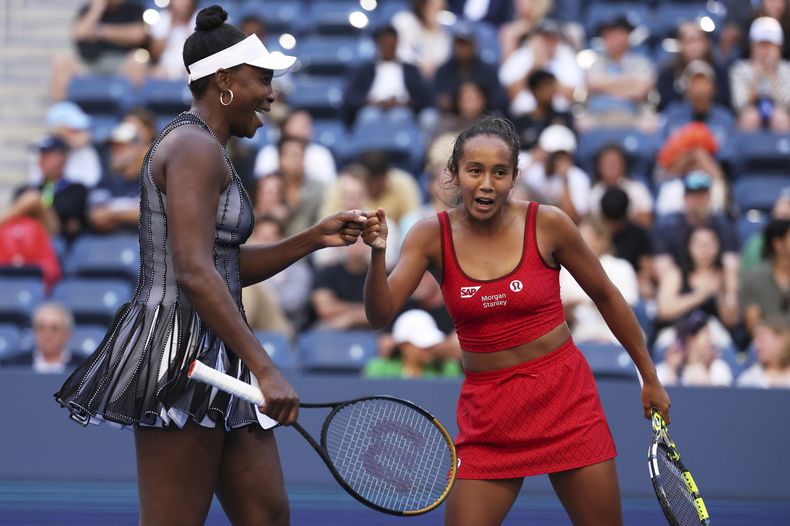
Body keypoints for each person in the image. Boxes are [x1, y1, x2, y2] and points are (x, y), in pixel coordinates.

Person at [54, 7, 367, 525]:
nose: (270, 94)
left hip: (216, 347)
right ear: (224, 81)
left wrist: (312, 238)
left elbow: (221, 267)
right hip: (180, 352)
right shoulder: (194, 147)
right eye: (261, 79)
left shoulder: (205, 148)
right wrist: (265, 367)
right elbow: (195, 272)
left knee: (266, 515)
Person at [360, 117, 669, 525]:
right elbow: (379, 314)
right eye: (475, 171)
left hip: (565, 400)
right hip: (489, 413)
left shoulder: (549, 223)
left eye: (499, 173)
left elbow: (608, 297)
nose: (487, 184)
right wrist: (378, 253)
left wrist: (649, 375)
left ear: (514, 178)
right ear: (454, 174)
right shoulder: (428, 235)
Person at [0, 302, 83, 373]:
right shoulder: (12, 366)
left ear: (68, 334)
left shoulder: (84, 369)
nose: (47, 335)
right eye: (41, 327)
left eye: (54, 328)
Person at [736, 317, 790, 388]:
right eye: (755, 339)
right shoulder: (748, 381)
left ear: (781, 339)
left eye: (762, 338)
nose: (756, 346)